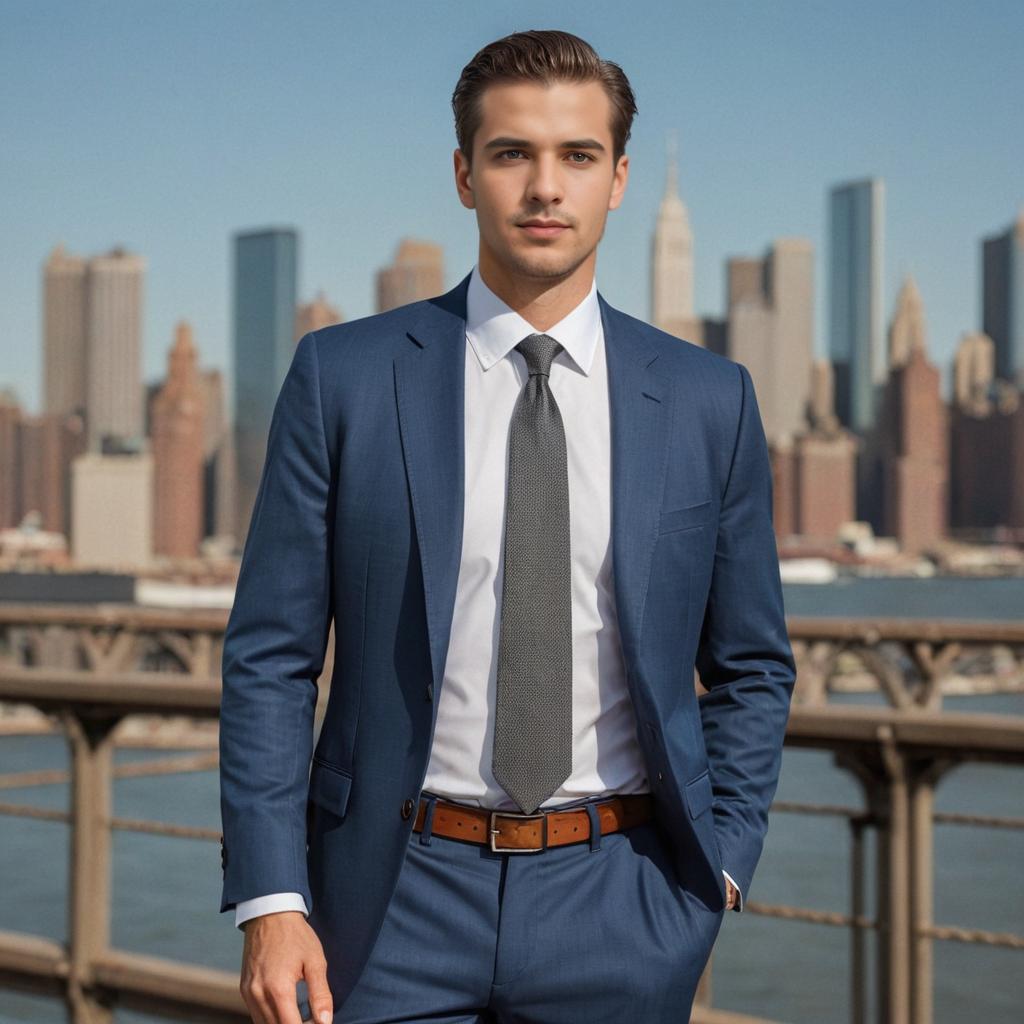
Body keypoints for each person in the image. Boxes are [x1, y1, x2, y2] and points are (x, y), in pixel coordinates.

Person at [218, 28, 796, 1024]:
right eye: (510, 154)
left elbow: (751, 663)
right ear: (462, 174)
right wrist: (273, 900)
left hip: (620, 901)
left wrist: (721, 867)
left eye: (576, 156)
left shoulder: (710, 398)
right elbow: (269, 655)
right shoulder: (343, 376)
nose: (544, 187)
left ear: (617, 179)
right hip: (383, 904)